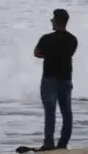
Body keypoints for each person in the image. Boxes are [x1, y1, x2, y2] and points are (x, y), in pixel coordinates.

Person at [34, 8, 78, 151]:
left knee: (50, 111)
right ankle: (63, 143)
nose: (51, 21)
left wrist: (48, 54)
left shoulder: (47, 38)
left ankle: (49, 144)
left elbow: (37, 53)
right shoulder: (72, 40)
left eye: (53, 19)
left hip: (50, 78)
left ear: (57, 21)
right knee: (66, 113)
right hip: (65, 78)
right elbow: (68, 53)